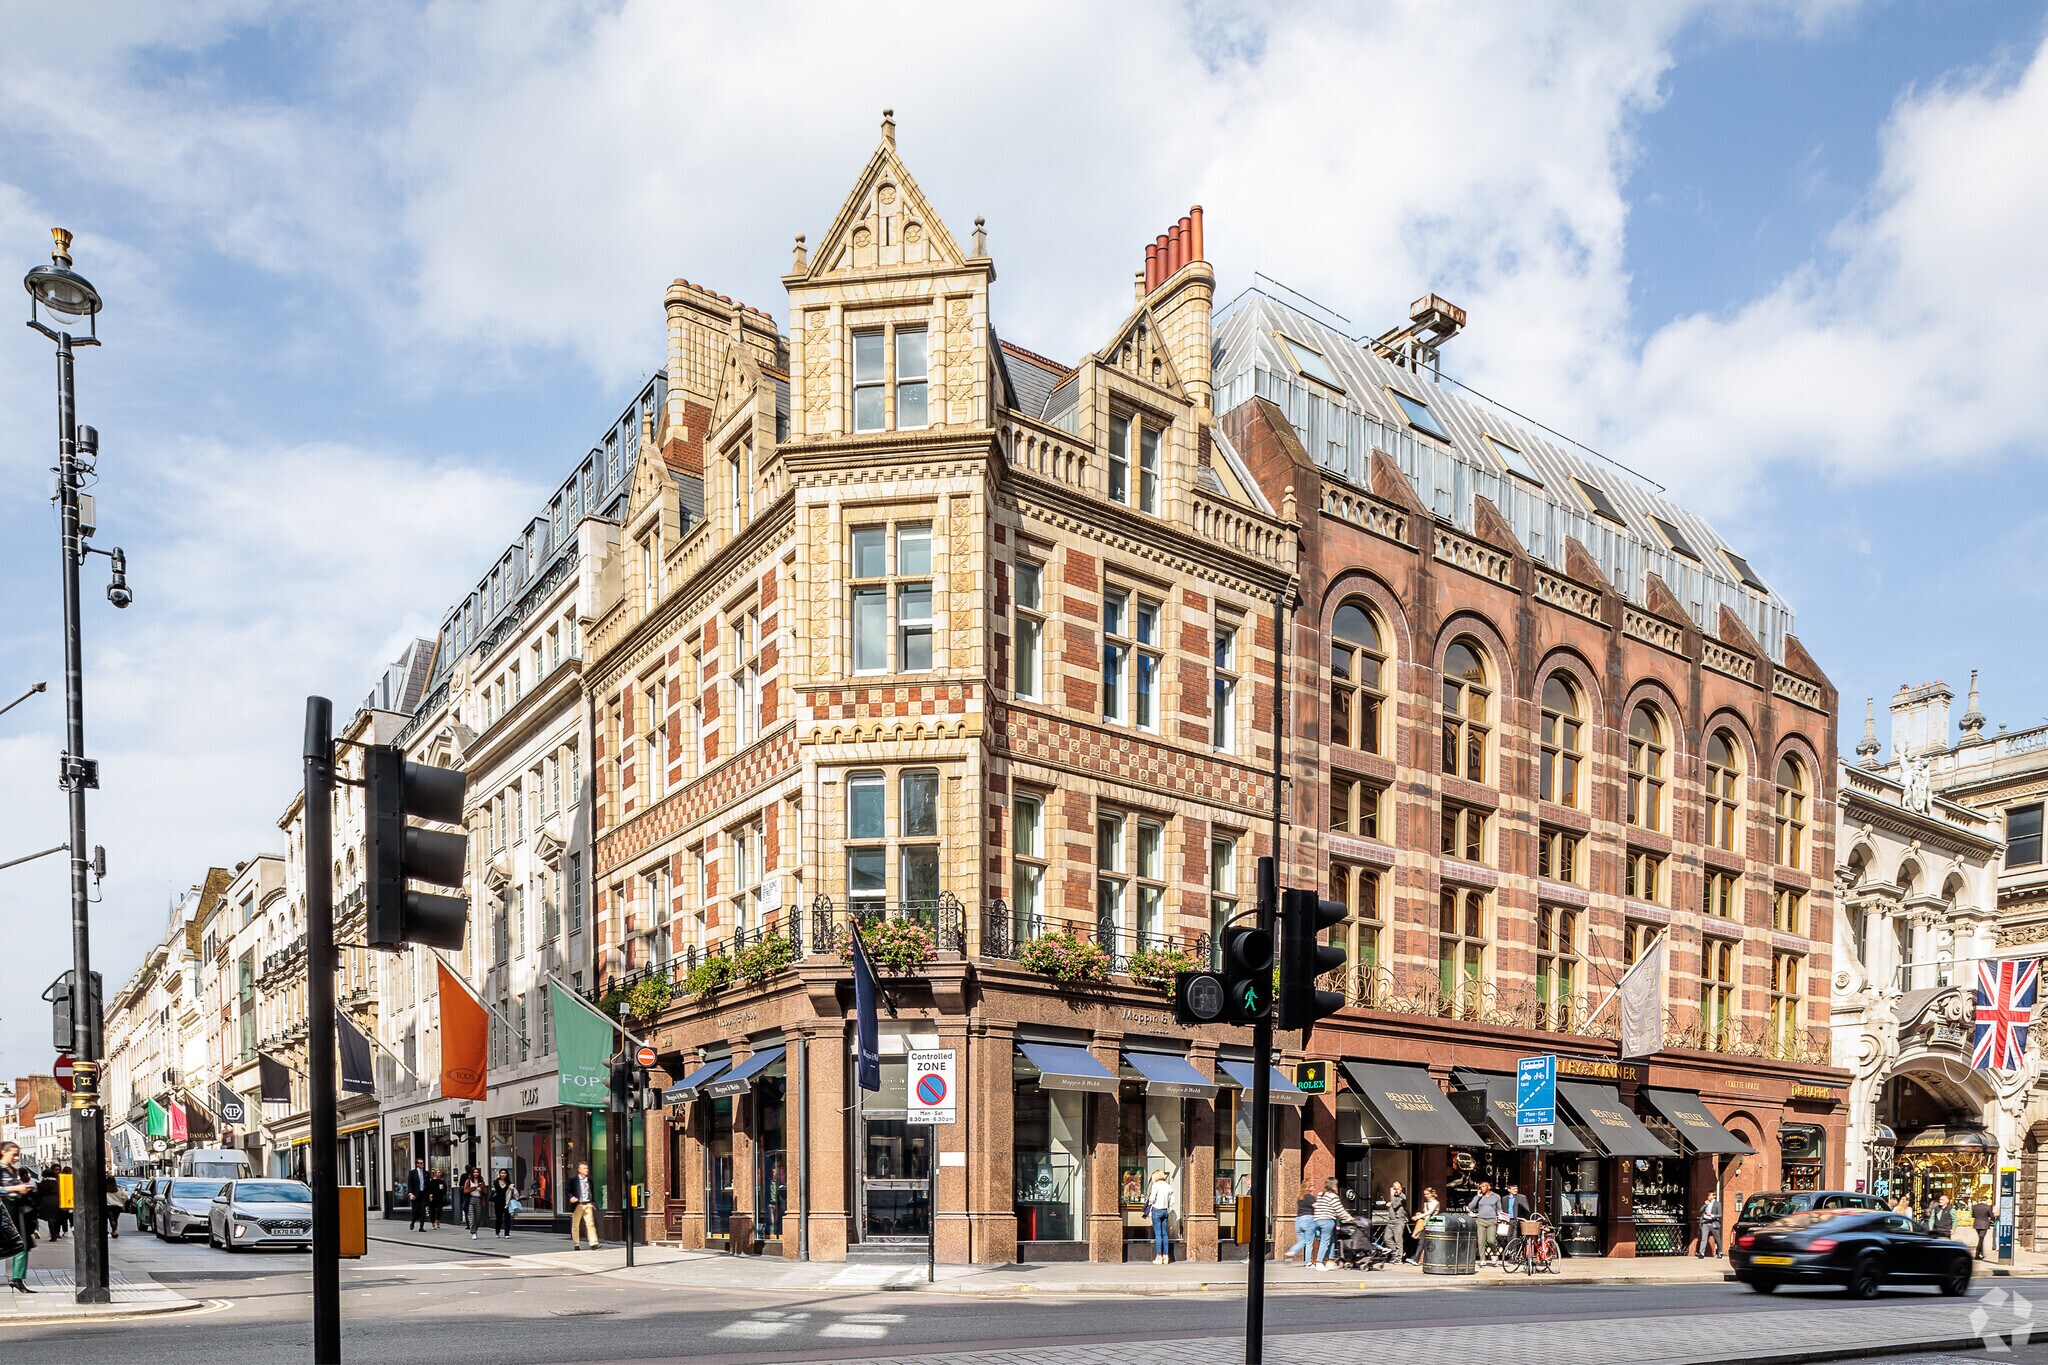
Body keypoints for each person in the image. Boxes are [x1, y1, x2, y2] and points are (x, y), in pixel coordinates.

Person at [1311, 1177, 1352, 1271]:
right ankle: (1319, 1263)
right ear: (1333, 1185)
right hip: (1327, 1220)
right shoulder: (1333, 1196)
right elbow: (1339, 1209)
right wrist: (1348, 1217)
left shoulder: (1320, 1194)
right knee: (1325, 1242)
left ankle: (1329, 1261)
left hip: (1318, 1220)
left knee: (1331, 1240)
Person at [1282, 1182, 1316, 1263]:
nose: (1314, 1187)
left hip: (1298, 1220)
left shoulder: (1300, 1198)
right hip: (1308, 1219)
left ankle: (1291, 1252)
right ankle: (1308, 1262)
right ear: (1309, 1187)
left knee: (1301, 1241)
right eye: (1312, 1186)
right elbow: (1317, 1206)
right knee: (1309, 1243)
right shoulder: (1310, 1197)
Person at [567, 1162, 599, 1250]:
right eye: (584, 1168)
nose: (586, 1170)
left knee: (590, 1224)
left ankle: (593, 1243)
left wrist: (592, 1203)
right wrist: (571, 1197)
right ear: (579, 1170)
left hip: (587, 1204)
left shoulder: (589, 1180)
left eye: (587, 1168)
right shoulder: (573, 1180)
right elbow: (568, 1190)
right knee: (576, 1225)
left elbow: (591, 1192)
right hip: (578, 1205)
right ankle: (576, 1244)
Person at [1471, 1180, 1503, 1265]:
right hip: (1480, 1220)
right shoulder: (1479, 1196)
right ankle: (1482, 1259)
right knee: (1480, 1241)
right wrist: (1477, 1197)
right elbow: (1471, 1206)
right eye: (1480, 1187)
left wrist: (1501, 1218)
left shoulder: (1496, 1196)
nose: (1482, 1188)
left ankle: (1494, 1254)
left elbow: (1499, 1209)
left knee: (1491, 1240)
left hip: (1491, 1220)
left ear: (1489, 1187)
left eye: (1483, 1186)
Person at [1147, 1170, 1174, 1265]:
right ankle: (1166, 1257)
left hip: (1157, 1210)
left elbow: (1151, 1199)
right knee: (1165, 1234)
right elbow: (1172, 1201)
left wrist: (1152, 1204)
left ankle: (1159, 1257)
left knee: (1158, 1234)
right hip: (1165, 1211)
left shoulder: (1156, 1185)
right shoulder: (1168, 1186)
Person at [1410, 1187, 1440, 1267]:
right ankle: (1416, 1258)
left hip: (1432, 1224)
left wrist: (1418, 1217)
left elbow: (1429, 1212)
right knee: (1421, 1242)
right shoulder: (1426, 1203)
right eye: (1424, 1194)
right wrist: (1420, 1215)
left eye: (1427, 1194)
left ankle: (1417, 1259)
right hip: (1425, 1224)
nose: (1426, 1196)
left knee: (1425, 1242)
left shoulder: (1435, 1202)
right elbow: (1426, 1214)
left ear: (1431, 1194)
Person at [1380, 1181, 1408, 1258]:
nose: (1395, 1191)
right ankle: (1394, 1253)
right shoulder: (1393, 1197)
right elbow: (1392, 1206)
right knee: (1387, 1238)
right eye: (1394, 1188)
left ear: (1401, 1188)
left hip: (1398, 1221)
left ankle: (1398, 1258)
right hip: (1391, 1221)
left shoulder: (1403, 1197)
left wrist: (1391, 1195)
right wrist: (1388, 1205)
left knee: (1398, 1241)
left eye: (1397, 1189)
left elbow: (1395, 1205)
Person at [36, 1168, 63, 1242]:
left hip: (46, 1201)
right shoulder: (57, 1182)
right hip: (56, 1200)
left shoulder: (42, 1183)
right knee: (56, 1217)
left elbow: (39, 1193)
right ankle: (57, 1232)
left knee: (49, 1219)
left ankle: (53, 1235)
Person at [406, 1158, 431, 1232]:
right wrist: (410, 1194)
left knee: (422, 1210)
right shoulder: (412, 1173)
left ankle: (421, 1227)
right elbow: (410, 1184)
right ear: (417, 1164)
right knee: (415, 1210)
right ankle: (413, 1222)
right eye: (420, 1163)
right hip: (415, 1194)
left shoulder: (426, 1173)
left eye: (423, 1163)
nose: (422, 1164)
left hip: (423, 1194)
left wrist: (430, 1195)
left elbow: (428, 1185)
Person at [490, 1169, 516, 1239]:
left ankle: (507, 1233)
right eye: (501, 1173)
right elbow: (493, 1191)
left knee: (507, 1217)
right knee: (499, 1218)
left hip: (507, 1202)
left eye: (504, 1173)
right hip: (498, 1201)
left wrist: (512, 1188)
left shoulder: (509, 1183)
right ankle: (497, 1231)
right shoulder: (495, 1182)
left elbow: (512, 1193)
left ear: (507, 1174)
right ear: (499, 1174)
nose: (503, 1174)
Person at [1697, 1191, 1723, 1258]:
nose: (1708, 1197)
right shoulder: (1706, 1203)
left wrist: (1711, 1215)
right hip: (1705, 1222)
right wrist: (1705, 1205)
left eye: (1710, 1195)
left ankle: (1720, 1252)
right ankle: (1701, 1253)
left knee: (1717, 1238)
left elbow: (1720, 1215)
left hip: (1713, 1222)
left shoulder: (1718, 1204)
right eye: (1708, 1195)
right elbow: (1700, 1211)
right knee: (1704, 1238)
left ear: (1714, 1196)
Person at [1974, 1195, 1997, 1260]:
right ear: (1985, 1200)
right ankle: (1977, 1254)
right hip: (1984, 1224)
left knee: (1981, 1238)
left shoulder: (1975, 1207)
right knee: (1981, 1239)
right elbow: (1992, 1216)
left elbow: (1973, 1215)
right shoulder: (1988, 1207)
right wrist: (1990, 1219)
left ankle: (1981, 1253)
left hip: (1977, 1224)